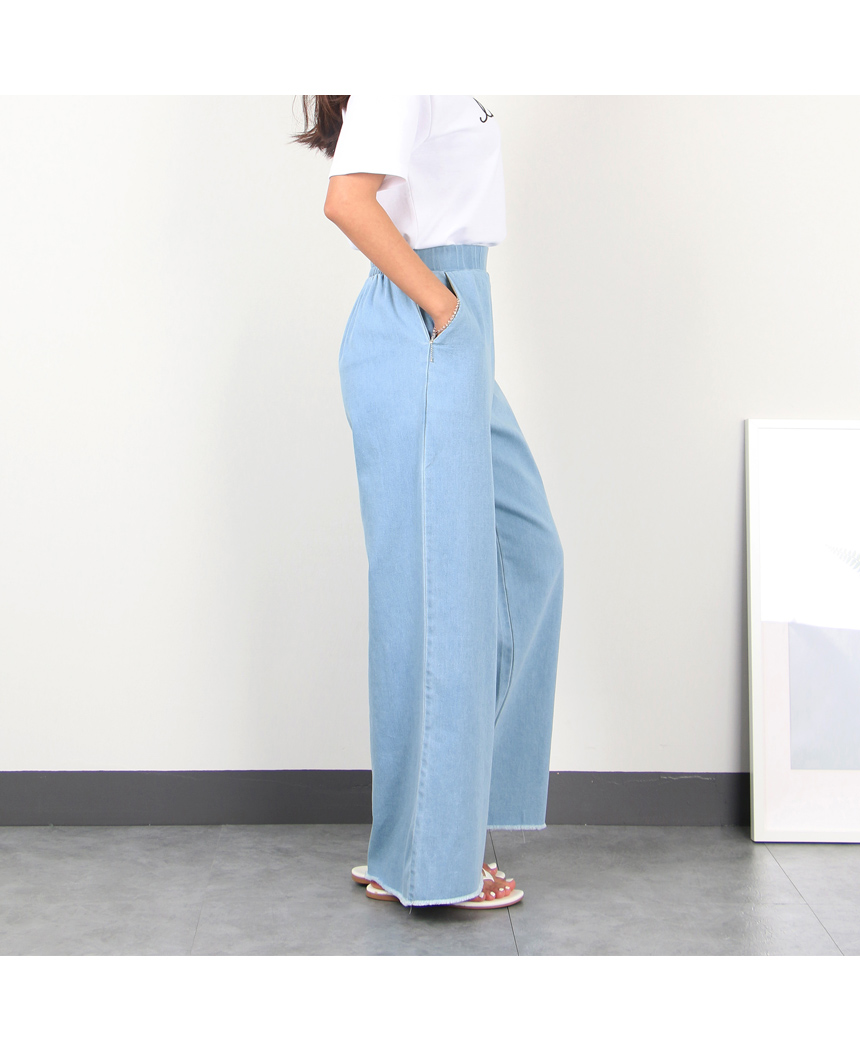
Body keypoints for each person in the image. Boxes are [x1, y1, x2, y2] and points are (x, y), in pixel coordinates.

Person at [293, 95, 564, 909]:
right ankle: (431, 860)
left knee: (529, 557)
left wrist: (456, 312)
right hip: (427, 317)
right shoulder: (404, 62)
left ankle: (424, 834)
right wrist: (443, 307)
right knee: (444, 604)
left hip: (455, 316)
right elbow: (347, 199)